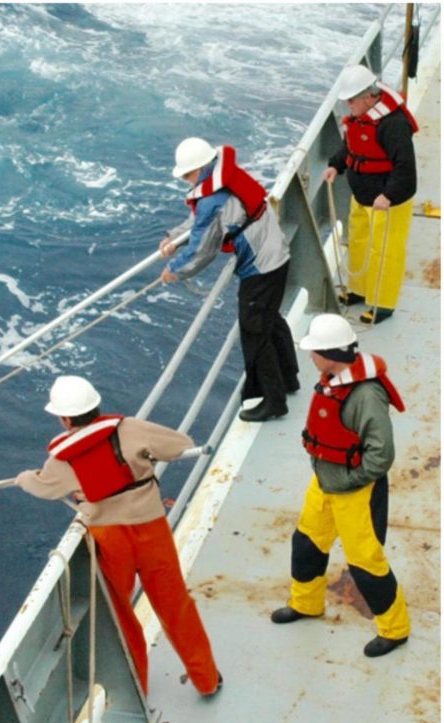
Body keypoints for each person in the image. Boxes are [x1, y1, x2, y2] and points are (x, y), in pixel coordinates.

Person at [15, 375, 222, 697]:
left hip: (109, 538)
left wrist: (24, 478)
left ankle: (137, 687)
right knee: (175, 604)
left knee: (121, 615)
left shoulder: (61, 459)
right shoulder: (133, 429)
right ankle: (207, 679)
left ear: (64, 419)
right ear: (97, 405)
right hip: (151, 527)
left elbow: (42, 486)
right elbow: (180, 444)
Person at [270, 314, 409, 657]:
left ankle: (395, 629)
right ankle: (306, 604)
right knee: (306, 544)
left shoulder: (366, 396)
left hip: (353, 492)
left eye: (314, 350)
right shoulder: (334, 378)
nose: (310, 356)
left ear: (331, 353)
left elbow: (381, 455)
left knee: (366, 563)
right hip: (324, 482)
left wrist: (350, 480)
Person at [159, 138, 298, 422]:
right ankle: (288, 378)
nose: (185, 181)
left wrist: (175, 268)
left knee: (255, 329)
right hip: (275, 252)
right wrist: (174, 237)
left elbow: (202, 249)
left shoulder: (213, 198)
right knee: (270, 319)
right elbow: (202, 223)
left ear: (199, 169)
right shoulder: (224, 175)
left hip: (261, 265)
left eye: (186, 175)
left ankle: (273, 401)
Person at [323, 64, 418, 325]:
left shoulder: (393, 125)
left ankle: (383, 303)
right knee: (360, 243)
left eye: (351, 100)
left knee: (385, 251)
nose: (347, 105)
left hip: (387, 203)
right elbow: (352, 146)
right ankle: (360, 290)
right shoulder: (360, 117)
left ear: (367, 96)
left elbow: (406, 168)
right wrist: (336, 165)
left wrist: (388, 195)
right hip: (363, 197)